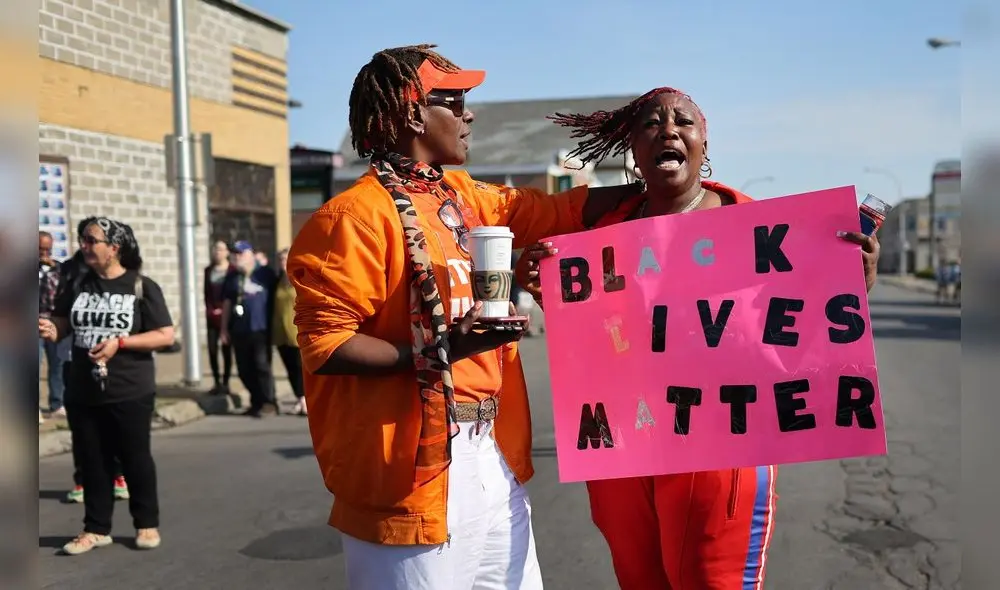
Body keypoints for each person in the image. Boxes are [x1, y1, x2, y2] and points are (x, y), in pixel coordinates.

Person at [287, 44, 640, 590]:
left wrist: (672, 189)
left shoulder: (465, 197)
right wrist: (443, 349)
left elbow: (564, 210)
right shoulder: (352, 217)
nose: (468, 113)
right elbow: (326, 347)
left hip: (491, 456)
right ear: (411, 113)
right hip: (406, 476)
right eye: (452, 101)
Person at [515, 87, 881, 590]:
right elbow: (600, 330)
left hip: (720, 448)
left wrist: (852, 278)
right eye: (651, 124)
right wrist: (547, 285)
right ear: (634, 150)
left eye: (683, 123)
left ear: (703, 145)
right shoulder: (601, 229)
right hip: (625, 448)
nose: (668, 130)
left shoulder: (756, 224)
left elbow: (807, 322)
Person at [38, 217, 174, 555]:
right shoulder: (78, 285)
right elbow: (64, 323)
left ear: (114, 248)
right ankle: (96, 529)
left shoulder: (142, 286)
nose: (84, 245)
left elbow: (165, 334)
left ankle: (146, 523)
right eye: (82, 239)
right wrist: (52, 328)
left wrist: (121, 343)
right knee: (91, 459)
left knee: (134, 458)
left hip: (130, 388)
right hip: (83, 387)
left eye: (91, 240)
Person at [59, 221, 129, 505]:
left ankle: (118, 475)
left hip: (112, 368)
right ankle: (82, 479)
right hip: (74, 363)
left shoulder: (121, 284)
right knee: (83, 430)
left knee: (113, 427)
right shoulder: (70, 281)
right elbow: (59, 318)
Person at [221, 240, 279, 417]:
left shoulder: (265, 274)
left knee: (262, 366)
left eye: (241, 253)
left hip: (260, 328)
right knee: (244, 369)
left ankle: (269, 402)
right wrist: (224, 329)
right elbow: (227, 303)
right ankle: (256, 401)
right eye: (235, 254)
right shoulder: (232, 277)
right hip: (239, 329)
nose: (237, 257)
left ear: (250, 254)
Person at [272, 248, 306, 415]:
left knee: (301, 367)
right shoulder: (277, 281)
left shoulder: (301, 279)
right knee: (290, 368)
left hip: (297, 332)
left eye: (285, 259)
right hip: (281, 333)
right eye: (280, 260)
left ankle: (306, 399)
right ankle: (299, 398)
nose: (282, 263)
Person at [39, 231, 69, 417]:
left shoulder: (59, 269)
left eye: (47, 249)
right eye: (40, 249)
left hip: (53, 320)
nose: (44, 253)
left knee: (57, 364)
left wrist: (51, 269)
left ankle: (57, 403)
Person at [204, 240, 234, 395]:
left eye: (221, 249)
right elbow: (207, 294)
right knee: (212, 349)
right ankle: (216, 382)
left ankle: (226, 382)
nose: (217, 252)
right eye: (215, 249)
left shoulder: (232, 270)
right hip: (212, 316)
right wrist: (211, 310)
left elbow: (232, 294)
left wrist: (224, 311)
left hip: (227, 316)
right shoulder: (208, 271)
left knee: (226, 350)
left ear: (227, 252)